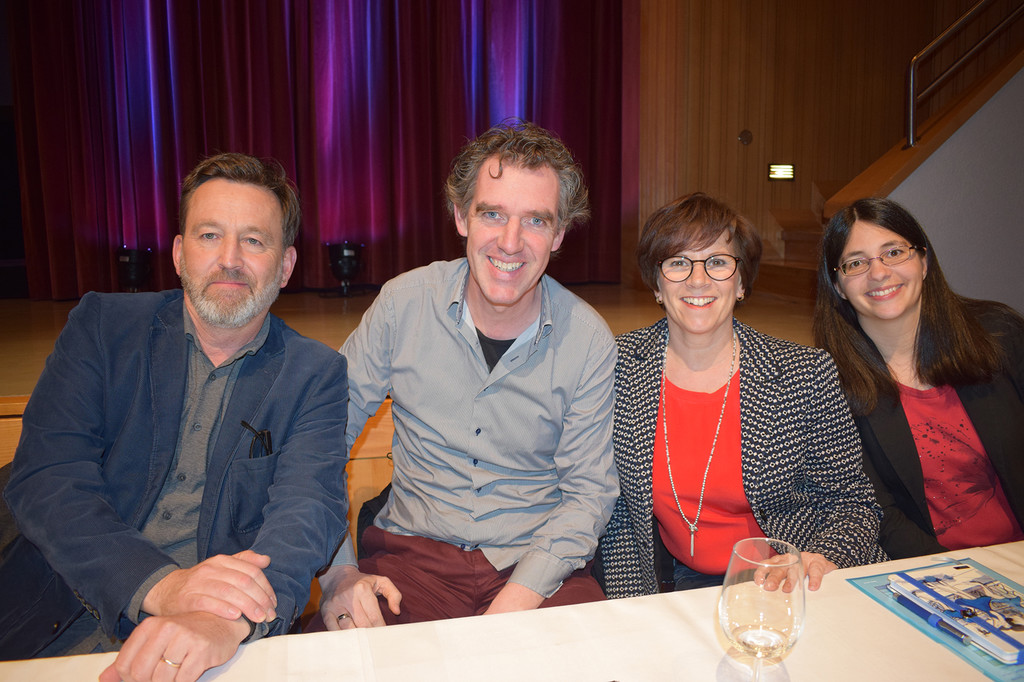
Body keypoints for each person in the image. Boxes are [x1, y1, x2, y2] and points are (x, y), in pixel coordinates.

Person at [0, 153, 350, 682]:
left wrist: (227, 620)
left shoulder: (315, 373)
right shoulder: (102, 328)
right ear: (180, 254)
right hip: (61, 616)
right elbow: (48, 479)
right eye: (210, 236)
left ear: (285, 266)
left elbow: (307, 512)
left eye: (254, 241)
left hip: (212, 637)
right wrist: (162, 586)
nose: (230, 259)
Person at [316, 120, 618, 628]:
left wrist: (510, 608)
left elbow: (588, 495)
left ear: (559, 233)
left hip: (536, 569)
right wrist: (339, 573)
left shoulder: (588, 341)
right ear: (461, 216)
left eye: (536, 221)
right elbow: (321, 440)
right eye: (492, 214)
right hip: (412, 565)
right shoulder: (402, 305)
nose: (510, 242)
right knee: (338, 657)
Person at [598, 193, 884, 599]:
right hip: (676, 581)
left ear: (742, 282)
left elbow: (853, 503)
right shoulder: (617, 367)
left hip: (792, 578)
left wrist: (820, 557)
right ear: (657, 284)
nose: (698, 280)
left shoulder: (804, 373)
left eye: (717, 262)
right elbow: (615, 511)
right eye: (678, 262)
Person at [814, 197, 1024, 559]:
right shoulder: (829, 383)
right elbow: (877, 512)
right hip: (930, 569)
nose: (879, 273)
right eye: (856, 263)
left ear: (924, 261)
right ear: (837, 285)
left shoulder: (999, 334)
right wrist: (954, 574)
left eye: (894, 252)